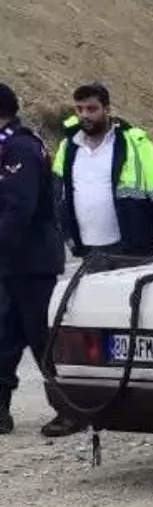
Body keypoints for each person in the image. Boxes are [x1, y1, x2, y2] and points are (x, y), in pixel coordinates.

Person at [52, 83, 153, 262]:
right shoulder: (68, 147)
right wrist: (66, 235)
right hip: (88, 250)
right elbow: (56, 194)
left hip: (133, 248)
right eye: (79, 109)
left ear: (107, 109)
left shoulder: (136, 143)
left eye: (91, 109)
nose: (84, 115)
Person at [0, 83, 67, 437]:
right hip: (12, 262)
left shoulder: (21, 148)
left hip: (32, 260)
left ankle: (69, 409)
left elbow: (19, 208)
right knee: (3, 337)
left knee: (41, 336)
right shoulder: (7, 147)